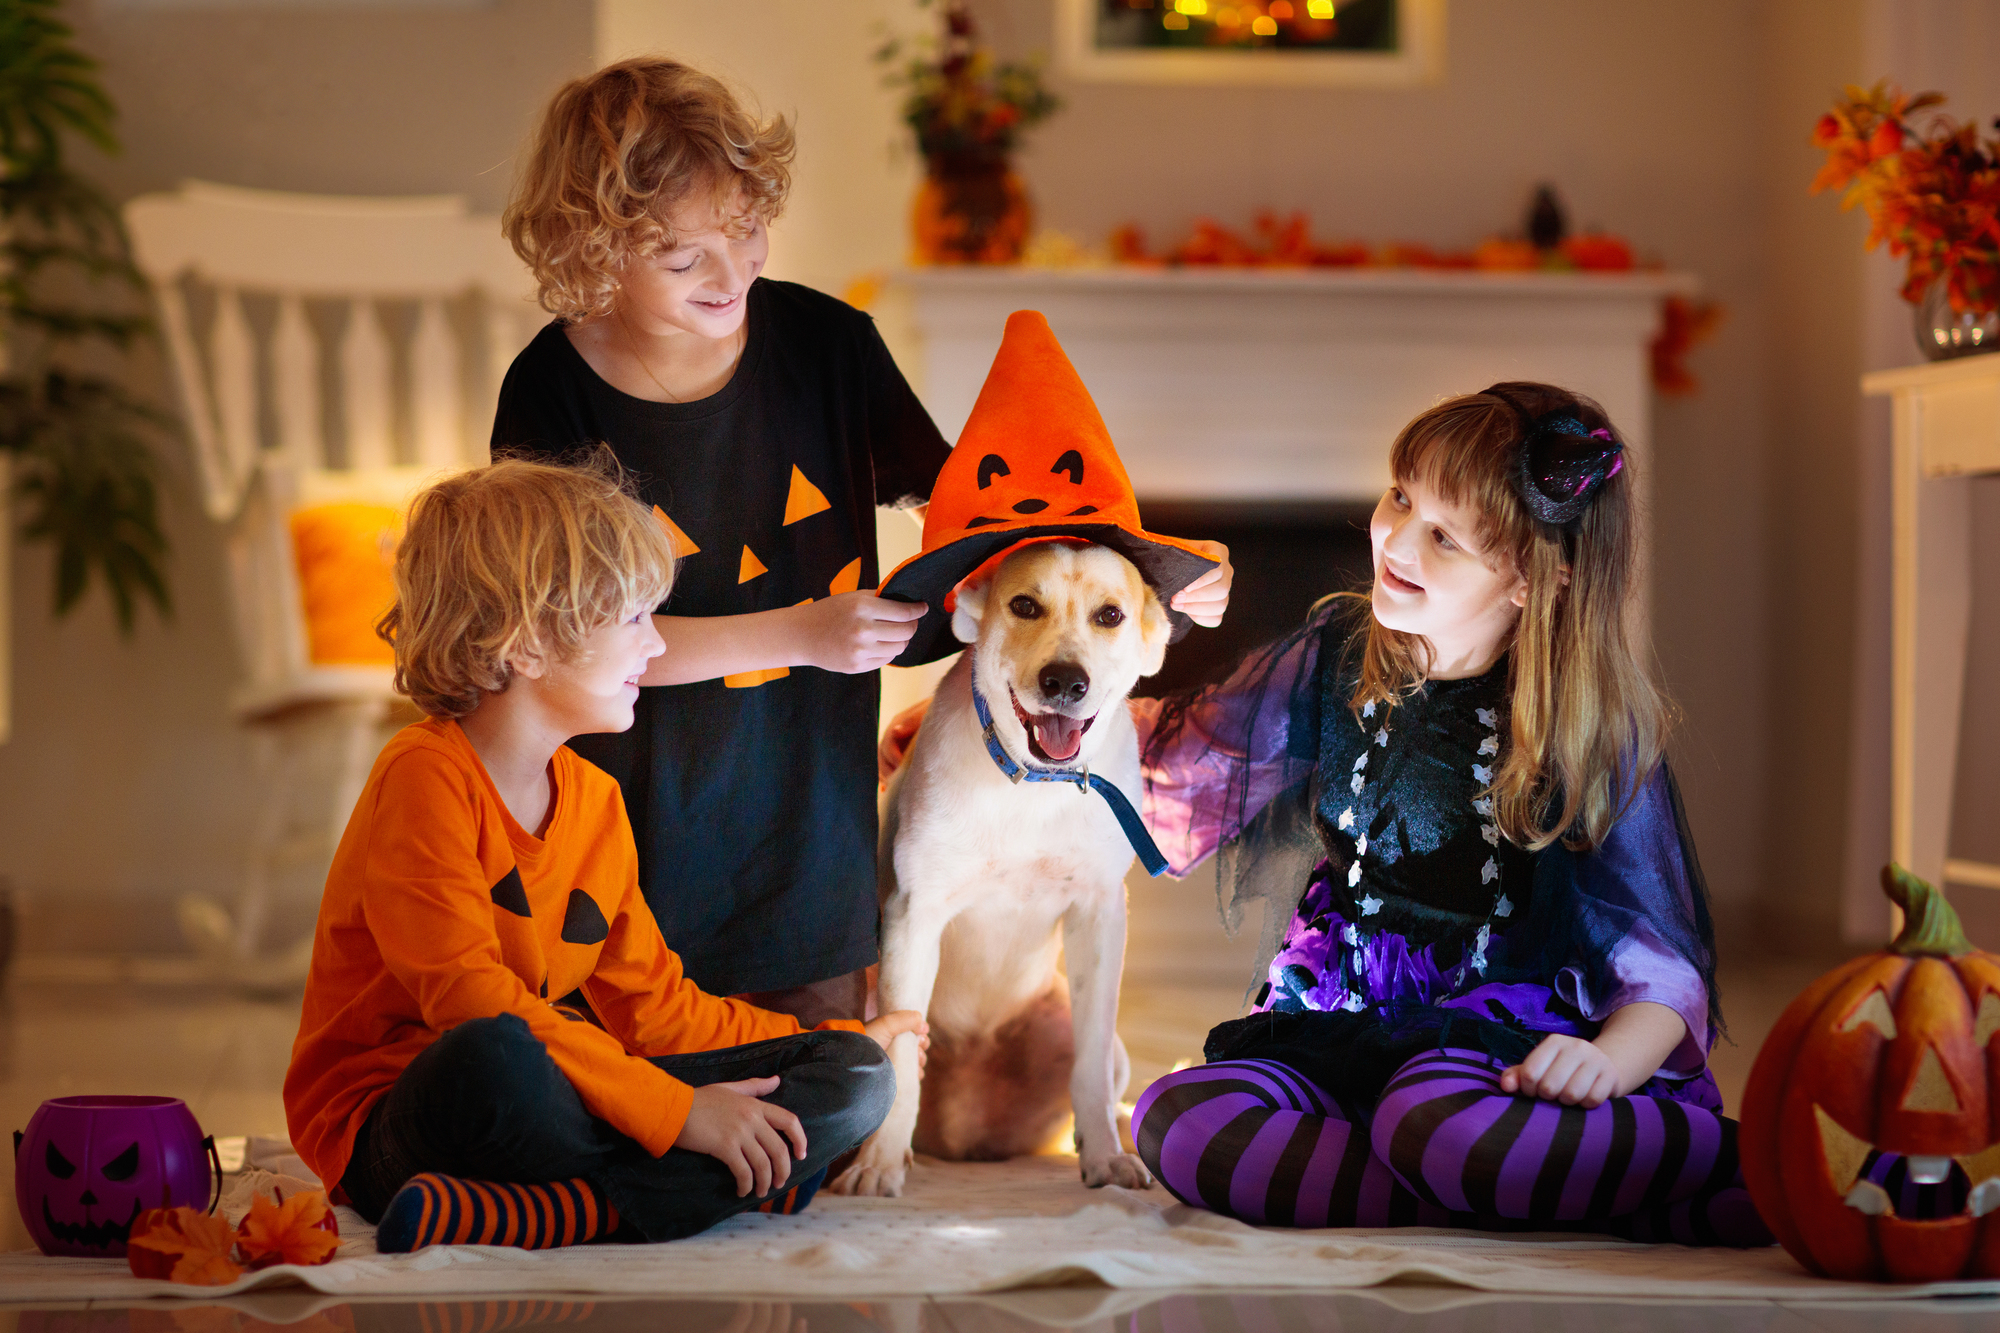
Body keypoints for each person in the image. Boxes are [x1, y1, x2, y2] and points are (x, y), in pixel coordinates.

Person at [491, 57, 1232, 1025]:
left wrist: (1146, 572)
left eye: (747, 231)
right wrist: (800, 633)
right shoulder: (550, 396)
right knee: (628, 1106)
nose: (734, 275)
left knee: (820, 1124)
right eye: (685, 261)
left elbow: (975, 516)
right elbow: (562, 642)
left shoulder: (827, 348)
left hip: (808, 841)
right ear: (594, 254)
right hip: (628, 840)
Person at [1127, 384, 1771, 1246]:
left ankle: (1716, 1163)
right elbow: (1186, 756)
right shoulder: (1335, 653)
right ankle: (1522, 1189)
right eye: (1400, 495)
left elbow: (1660, 967)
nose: (1395, 538)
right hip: (1347, 1024)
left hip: (1495, 1050)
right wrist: (1028, 728)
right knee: (1176, 1117)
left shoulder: (1583, 731)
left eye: (1445, 536)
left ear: (1534, 576)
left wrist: (1606, 1063)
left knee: (1435, 1117)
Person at [283, 457, 926, 1252]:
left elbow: (656, 1010)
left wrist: (852, 1037)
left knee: (854, 1078)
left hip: (554, 1102)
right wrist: (678, 1113)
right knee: (498, 1059)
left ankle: (560, 1210)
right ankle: (678, 1193)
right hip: (405, 1116)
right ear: (526, 645)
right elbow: (468, 999)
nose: (655, 646)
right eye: (633, 618)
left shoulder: (593, 798)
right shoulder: (424, 776)